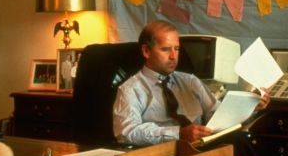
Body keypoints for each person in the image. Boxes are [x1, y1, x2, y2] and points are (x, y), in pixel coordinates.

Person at [112, 20, 269, 146]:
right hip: (165, 155)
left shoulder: (190, 82)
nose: (174, 56)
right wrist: (178, 134)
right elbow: (126, 133)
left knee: (249, 141)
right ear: (146, 51)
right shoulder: (130, 90)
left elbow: (219, 116)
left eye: (177, 49)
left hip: (204, 147)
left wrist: (251, 106)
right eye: (166, 49)